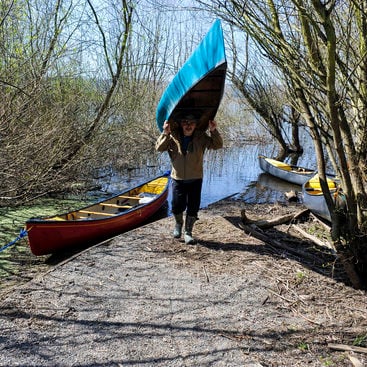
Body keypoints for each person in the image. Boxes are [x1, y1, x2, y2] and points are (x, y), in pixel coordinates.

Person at [155, 114, 223, 244]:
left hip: (195, 179)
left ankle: (188, 232)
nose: (188, 125)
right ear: (181, 124)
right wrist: (165, 133)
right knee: (176, 205)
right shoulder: (173, 136)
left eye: (191, 123)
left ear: (196, 125)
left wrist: (213, 131)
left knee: (193, 207)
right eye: (185, 122)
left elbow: (217, 145)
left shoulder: (201, 137)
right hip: (178, 179)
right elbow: (159, 148)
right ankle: (178, 224)